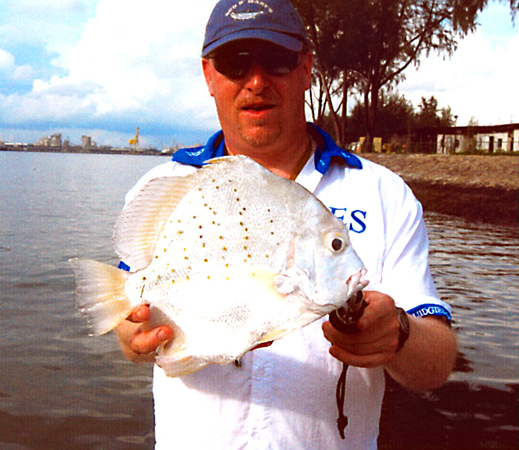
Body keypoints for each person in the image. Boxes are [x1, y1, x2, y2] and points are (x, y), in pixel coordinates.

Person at [115, 0, 457, 448]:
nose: (257, 82)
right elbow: (124, 314)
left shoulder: (383, 193)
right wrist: (133, 334)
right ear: (208, 75)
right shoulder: (167, 186)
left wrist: (399, 334)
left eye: (276, 59)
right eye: (235, 63)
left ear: (306, 67)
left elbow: (437, 364)